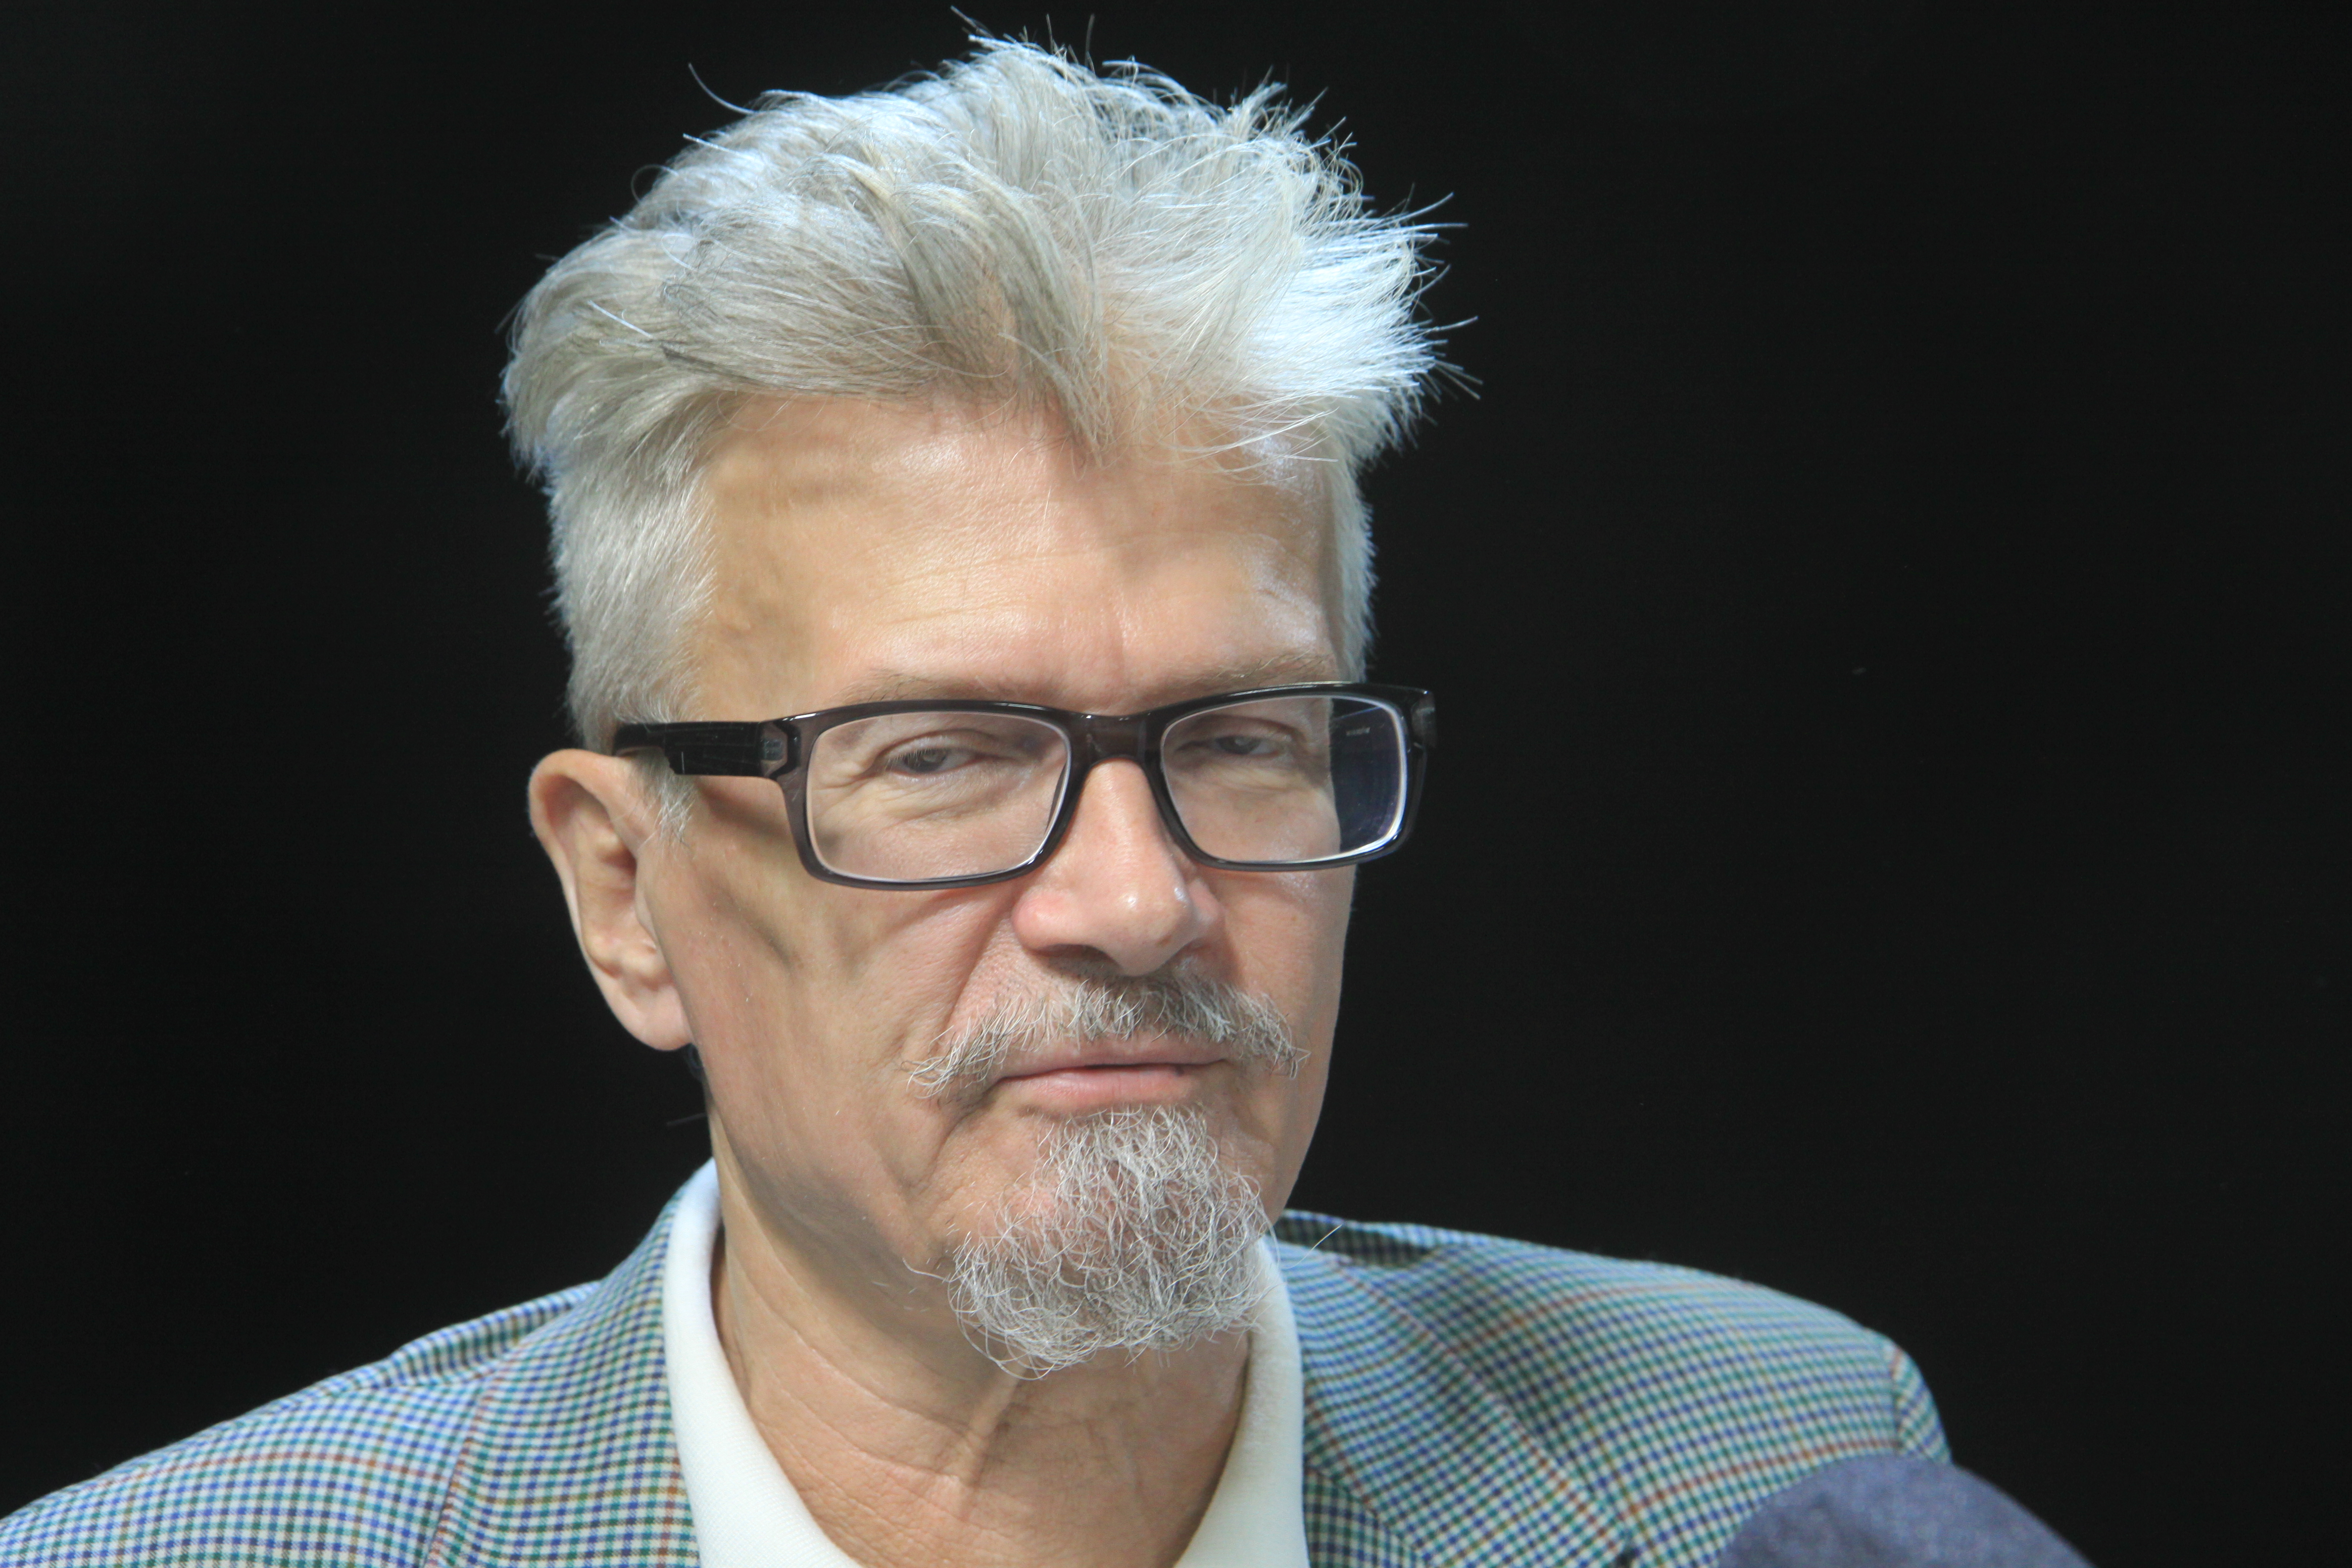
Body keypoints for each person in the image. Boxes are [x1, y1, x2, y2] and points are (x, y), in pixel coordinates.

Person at [0, 40, 1946, 1568]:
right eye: (939, 757)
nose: (1138, 901)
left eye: (1241, 738)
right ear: (624, 893)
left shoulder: (1782, 1470)